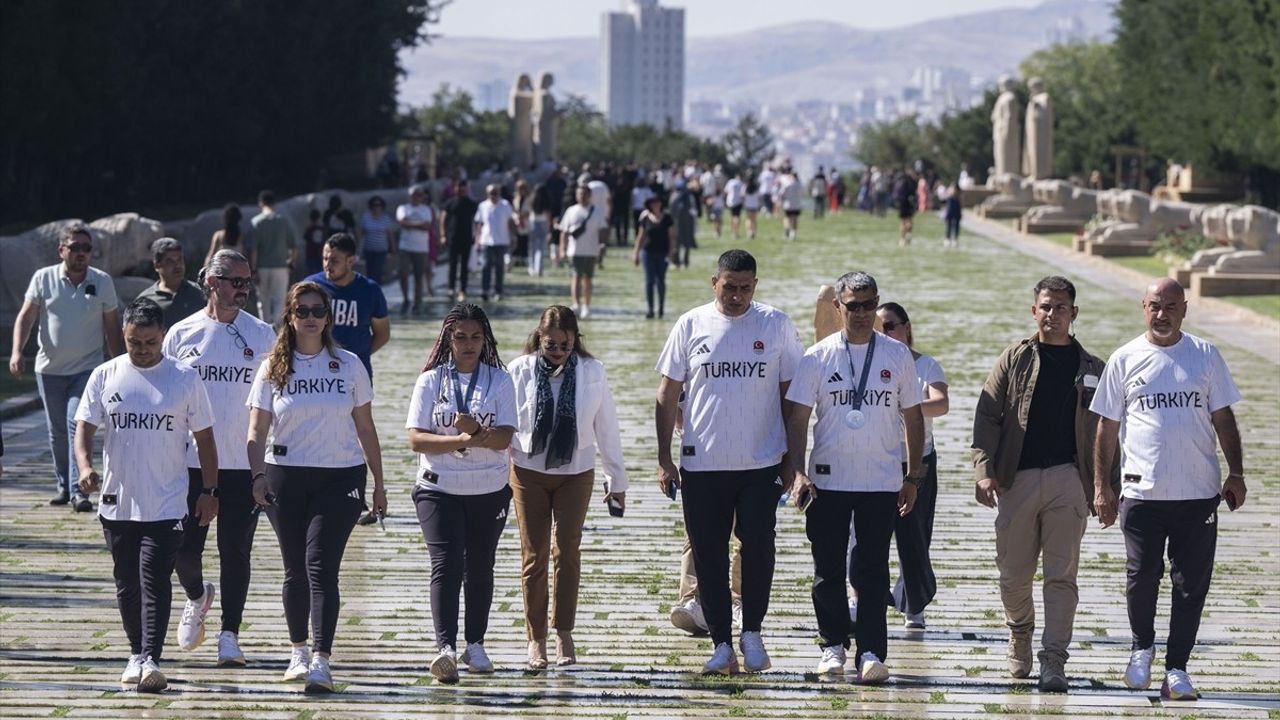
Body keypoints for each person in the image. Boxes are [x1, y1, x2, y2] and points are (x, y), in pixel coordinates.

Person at [1090, 278, 1246, 701]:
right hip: (1142, 493)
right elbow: (1107, 426)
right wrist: (1102, 486)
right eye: (1155, 306)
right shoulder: (1124, 359)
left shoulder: (1205, 356)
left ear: (1184, 309)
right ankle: (1142, 647)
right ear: (1143, 306)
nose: (1162, 315)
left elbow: (1223, 417)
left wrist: (1236, 472)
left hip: (1198, 494)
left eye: (1171, 307)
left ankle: (1177, 668)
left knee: (1191, 584)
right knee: (1142, 575)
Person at [654, 249, 804, 675]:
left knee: (758, 547)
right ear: (714, 283)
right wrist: (664, 457)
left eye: (745, 287)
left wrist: (792, 461)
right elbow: (667, 395)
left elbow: (793, 398)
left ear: (755, 285)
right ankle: (721, 643)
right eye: (729, 286)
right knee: (709, 556)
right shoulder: (691, 324)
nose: (737, 295)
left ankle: (752, 631)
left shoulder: (775, 324)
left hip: (760, 462)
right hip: (703, 464)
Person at [972, 275, 1117, 693]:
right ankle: (1019, 631)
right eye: (1045, 306)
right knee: (1013, 575)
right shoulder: (1013, 359)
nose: (1052, 314)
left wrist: (1107, 487)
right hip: (1016, 480)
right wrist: (984, 470)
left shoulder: (1093, 368)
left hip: (1069, 480)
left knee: (1061, 576)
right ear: (1034, 310)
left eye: (1060, 307)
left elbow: (1110, 430)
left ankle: (1054, 659)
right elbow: (987, 417)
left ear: (1074, 313)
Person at [246, 282, 386, 693]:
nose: (310, 318)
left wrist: (379, 483)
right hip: (285, 474)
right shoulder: (272, 367)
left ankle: (323, 660)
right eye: (302, 311)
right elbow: (257, 428)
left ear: (328, 317)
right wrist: (256, 475)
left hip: (341, 475)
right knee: (295, 568)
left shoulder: (349, 364)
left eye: (317, 311)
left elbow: (366, 427)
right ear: (290, 317)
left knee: (321, 565)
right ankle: (298, 652)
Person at [785, 272, 923, 682]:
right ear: (837, 307)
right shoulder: (817, 356)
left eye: (868, 305)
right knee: (827, 569)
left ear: (876, 304)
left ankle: (871, 652)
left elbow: (913, 417)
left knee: (872, 570)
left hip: (880, 481)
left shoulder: (897, 356)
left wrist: (913, 475)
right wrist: (796, 471)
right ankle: (831, 646)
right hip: (828, 480)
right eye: (852, 305)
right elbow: (797, 418)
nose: (861, 313)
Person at [74, 298, 217, 692]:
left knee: (154, 577)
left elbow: (205, 438)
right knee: (126, 582)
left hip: (167, 500)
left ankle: (153, 659)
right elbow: (84, 427)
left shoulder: (184, 378)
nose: (142, 349)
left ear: (163, 337)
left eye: (150, 342)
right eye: (135, 342)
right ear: (124, 336)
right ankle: (135, 653)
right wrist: (85, 467)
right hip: (118, 499)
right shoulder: (106, 375)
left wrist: (209, 489)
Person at [163, 250, 276, 667]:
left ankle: (230, 634)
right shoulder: (181, 333)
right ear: (211, 282)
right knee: (183, 550)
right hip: (191, 463)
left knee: (236, 550)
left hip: (243, 463)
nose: (243, 289)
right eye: (235, 281)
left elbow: (276, 398)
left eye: (248, 281)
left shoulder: (263, 335)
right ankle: (196, 595)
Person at [508, 306, 627, 669]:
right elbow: (505, 424)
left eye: (564, 344)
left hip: (577, 470)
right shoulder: (518, 370)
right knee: (534, 554)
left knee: (568, 550)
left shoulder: (593, 372)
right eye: (551, 344)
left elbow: (607, 425)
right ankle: (536, 639)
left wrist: (616, 479)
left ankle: (564, 631)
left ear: (575, 340)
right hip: (528, 470)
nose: (557, 350)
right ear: (539, 339)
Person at [405, 303, 516, 684]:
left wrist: (478, 435)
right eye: (460, 337)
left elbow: (504, 438)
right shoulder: (430, 381)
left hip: (489, 487)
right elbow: (416, 438)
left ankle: (476, 643)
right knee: (446, 563)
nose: (468, 345)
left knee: (480, 565)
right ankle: (445, 649)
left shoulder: (500, 380)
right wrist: (457, 441)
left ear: (485, 340)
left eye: (475, 337)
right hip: (438, 487)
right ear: (448, 339)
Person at [10, 225, 124, 510]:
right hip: (49, 369)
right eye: (75, 247)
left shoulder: (102, 281)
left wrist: (120, 364)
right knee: (56, 431)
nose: (81, 253)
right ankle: (63, 485)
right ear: (62, 250)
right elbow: (26, 317)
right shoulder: (43, 278)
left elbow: (112, 327)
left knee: (77, 424)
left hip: (86, 369)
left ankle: (78, 490)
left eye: (86, 248)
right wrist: (17, 351)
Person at [854, 301, 949, 630]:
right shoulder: (866, 363)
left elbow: (941, 403)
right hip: (876, 459)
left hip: (917, 460)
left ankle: (914, 603)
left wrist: (908, 405)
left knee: (914, 536)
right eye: (880, 327)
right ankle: (866, 597)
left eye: (891, 325)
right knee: (866, 534)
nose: (886, 332)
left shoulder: (925, 365)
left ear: (907, 328)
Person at [304, 233, 391, 384]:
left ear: (351, 261)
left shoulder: (370, 290)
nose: (327, 265)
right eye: (325, 259)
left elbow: (382, 334)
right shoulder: (311, 287)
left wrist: (359, 355)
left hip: (357, 373)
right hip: (317, 372)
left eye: (334, 261)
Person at [245, 190, 298, 325]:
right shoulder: (283, 221)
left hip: (262, 267)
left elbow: (254, 249)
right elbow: (294, 246)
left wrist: (253, 269)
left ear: (260, 203)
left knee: (263, 301)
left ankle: (265, 326)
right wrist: (291, 262)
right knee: (279, 300)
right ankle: (276, 327)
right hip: (281, 266)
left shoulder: (256, 222)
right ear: (275, 204)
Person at [559, 184, 608, 318]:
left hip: (591, 250)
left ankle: (587, 305)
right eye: (579, 194)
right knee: (575, 277)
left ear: (589, 195)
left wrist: (602, 244)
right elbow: (564, 231)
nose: (582, 196)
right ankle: (576, 304)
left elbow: (603, 229)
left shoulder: (597, 211)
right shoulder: (571, 210)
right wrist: (562, 248)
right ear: (576, 195)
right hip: (574, 250)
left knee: (588, 278)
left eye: (584, 194)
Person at [137, 237, 205, 329]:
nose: (177, 265)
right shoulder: (146, 301)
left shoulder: (200, 293)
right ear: (157, 265)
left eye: (180, 259)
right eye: (170, 261)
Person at [634, 195, 677, 319]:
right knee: (649, 281)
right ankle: (650, 309)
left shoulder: (667, 218)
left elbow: (672, 237)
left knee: (660, 280)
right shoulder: (645, 217)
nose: (655, 205)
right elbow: (640, 236)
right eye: (653, 203)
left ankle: (661, 308)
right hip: (647, 253)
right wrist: (636, 252)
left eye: (657, 202)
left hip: (663, 253)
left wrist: (671, 252)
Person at [473, 184, 517, 303]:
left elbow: (510, 221)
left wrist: (513, 236)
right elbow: (479, 224)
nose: (493, 195)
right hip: (486, 240)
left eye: (495, 193)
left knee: (499, 267)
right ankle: (485, 290)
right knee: (486, 266)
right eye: (491, 193)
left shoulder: (505, 204)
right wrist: (477, 240)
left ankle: (498, 290)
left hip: (502, 240)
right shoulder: (483, 206)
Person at [396, 185, 435, 315]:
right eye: (415, 194)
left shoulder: (426, 209)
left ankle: (417, 302)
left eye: (420, 194)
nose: (417, 197)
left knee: (419, 276)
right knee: (403, 273)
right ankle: (406, 299)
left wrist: (410, 224)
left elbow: (428, 226)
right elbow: (402, 223)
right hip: (405, 246)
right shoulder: (403, 208)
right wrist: (419, 224)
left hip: (421, 247)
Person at [441, 180, 479, 301]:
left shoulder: (472, 203)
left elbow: (477, 221)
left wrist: (477, 236)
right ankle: (451, 288)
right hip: (453, 237)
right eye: (459, 187)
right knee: (452, 264)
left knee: (464, 265)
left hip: (467, 238)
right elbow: (443, 219)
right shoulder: (450, 203)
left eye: (463, 188)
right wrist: (443, 235)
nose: (461, 190)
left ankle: (463, 289)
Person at [356, 195, 396, 286]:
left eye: (379, 205)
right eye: (374, 205)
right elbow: (360, 232)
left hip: (381, 249)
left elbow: (390, 235)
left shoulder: (386, 219)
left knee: (377, 271)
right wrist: (358, 246)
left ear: (382, 206)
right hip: (369, 249)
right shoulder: (366, 217)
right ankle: (371, 291)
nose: (376, 207)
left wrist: (393, 248)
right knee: (370, 271)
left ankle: (377, 290)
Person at [204, 203, 244, 268]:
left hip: (222, 270)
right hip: (237, 269)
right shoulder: (242, 236)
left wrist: (205, 269)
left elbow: (211, 255)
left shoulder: (219, 235)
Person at [528, 181, 554, 277]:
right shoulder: (546, 201)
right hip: (543, 224)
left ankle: (532, 268)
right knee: (541, 248)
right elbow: (548, 216)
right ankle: (539, 269)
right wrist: (549, 229)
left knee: (532, 248)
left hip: (533, 223)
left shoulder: (532, 200)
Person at [777, 167, 803, 241]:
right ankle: (793, 233)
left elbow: (781, 193)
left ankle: (787, 231)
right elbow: (802, 193)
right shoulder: (799, 184)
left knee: (787, 218)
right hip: (797, 204)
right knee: (795, 219)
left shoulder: (787, 184)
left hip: (788, 204)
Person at [894, 173, 917, 246]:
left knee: (902, 222)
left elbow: (896, 196)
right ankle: (908, 234)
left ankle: (902, 239)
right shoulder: (911, 185)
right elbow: (914, 195)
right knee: (909, 220)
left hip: (902, 205)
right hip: (909, 205)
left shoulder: (899, 185)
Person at [302, 209, 326, 276]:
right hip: (319, 254)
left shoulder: (309, 229)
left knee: (311, 274)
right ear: (319, 218)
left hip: (310, 254)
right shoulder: (322, 229)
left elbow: (305, 238)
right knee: (320, 274)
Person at [944, 184, 962, 248]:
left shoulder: (958, 198)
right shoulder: (949, 197)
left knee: (956, 227)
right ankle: (947, 239)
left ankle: (955, 239)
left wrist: (960, 215)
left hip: (956, 213)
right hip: (949, 214)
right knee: (948, 227)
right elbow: (947, 207)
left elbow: (959, 207)